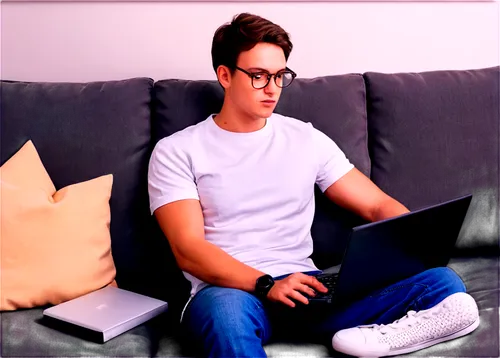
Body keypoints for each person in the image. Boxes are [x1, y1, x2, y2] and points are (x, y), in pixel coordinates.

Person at [147, 13, 480, 358]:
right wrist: (267, 285)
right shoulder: (177, 150)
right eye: (258, 76)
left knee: (442, 281)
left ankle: (370, 338)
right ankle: (366, 335)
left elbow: (376, 206)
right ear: (225, 75)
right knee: (226, 316)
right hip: (232, 292)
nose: (272, 88)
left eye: (280, 75)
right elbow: (188, 248)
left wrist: (415, 247)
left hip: (307, 288)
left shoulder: (305, 138)